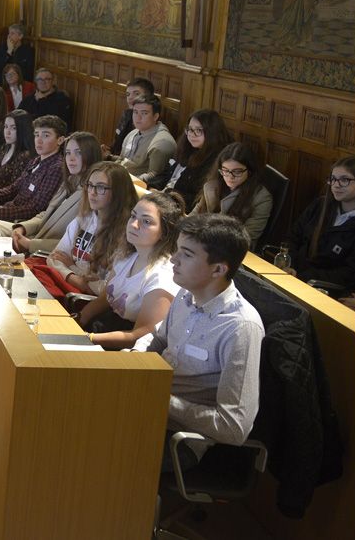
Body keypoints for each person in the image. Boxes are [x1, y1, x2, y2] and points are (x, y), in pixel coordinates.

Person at [133, 214, 263, 472]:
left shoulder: (240, 328)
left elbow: (234, 427)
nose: (173, 259)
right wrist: (134, 356)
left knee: (89, 445)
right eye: (177, 250)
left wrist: (161, 399)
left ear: (218, 269)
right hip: (145, 410)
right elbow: (159, 339)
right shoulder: (185, 295)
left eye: (187, 254)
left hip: (179, 439)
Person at [79, 191, 184, 349]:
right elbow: (106, 298)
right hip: (103, 331)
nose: (134, 224)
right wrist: (77, 321)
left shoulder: (162, 276)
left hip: (125, 351)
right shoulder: (127, 255)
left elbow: (139, 336)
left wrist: (87, 338)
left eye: (146, 221)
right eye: (133, 216)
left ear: (165, 232)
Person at [2, 131, 102, 255]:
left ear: (91, 155)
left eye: (78, 153)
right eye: (68, 153)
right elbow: (46, 214)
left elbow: (75, 243)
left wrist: (30, 244)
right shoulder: (70, 180)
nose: (71, 158)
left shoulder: (92, 194)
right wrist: (23, 227)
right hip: (35, 236)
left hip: (46, 252)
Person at [46, 161, 137, 295]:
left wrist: (71, 266)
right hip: (65, 281)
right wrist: (76, 278)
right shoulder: (84, 219)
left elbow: (105, 289)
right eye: (90, 185)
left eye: (101, 187)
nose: (92, 192)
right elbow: (54, 257)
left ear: (118, 192)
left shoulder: (126, 233)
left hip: (83, 297)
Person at [0, 115, 66, 222]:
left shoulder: (56, 168)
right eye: (36, 135)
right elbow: (13, 189)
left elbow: (35, 209)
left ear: (60, 140)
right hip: (6, 211)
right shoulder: (35, 161)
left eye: (46, 136)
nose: (39, 140)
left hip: (18, 223)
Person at [286, 156, 355, 296]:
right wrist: (290, 264)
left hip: (323, 290)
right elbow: (293, 237)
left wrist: (301, 275)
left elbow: (348, 274)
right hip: (292, 276)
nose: (336, 185)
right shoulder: (321, 205)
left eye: (344, 180)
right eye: (333, 179)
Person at [148, 109, 232, 211]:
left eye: (198, 130)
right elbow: (165, 174)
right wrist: (152, 187)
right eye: (190, 129)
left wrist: (165, 195)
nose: (191, 134)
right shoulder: (187, 147)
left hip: (179, 208)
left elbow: (196, 198)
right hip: (162, 198)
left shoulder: (216, 159)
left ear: (211, 132)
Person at [192, 142, 274, 245]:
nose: (230, 177)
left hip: (232, 249)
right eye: (225, 171)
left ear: (250, 171)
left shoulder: (261, 197)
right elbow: (194, 215)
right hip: (204, 241)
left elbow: (247, 237)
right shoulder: (213, 185)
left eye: (237, 172)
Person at [110, 94, 176, 181]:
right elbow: (123, 160)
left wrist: (127, 182)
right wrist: (109, 157)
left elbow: (154, 176)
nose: (138, 117)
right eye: (135, 112)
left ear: (155, 116)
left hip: (136, 186)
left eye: (144, 113)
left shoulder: (162, 143)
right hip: (121, 176)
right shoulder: (133, 132)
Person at [105, 78, 155, 157]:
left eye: (136, 94)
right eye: (128, 94)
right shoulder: (127, 114)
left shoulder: (149, 124)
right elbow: (117, 144)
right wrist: (107, 150)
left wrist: (109, 157)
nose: (130, 97)